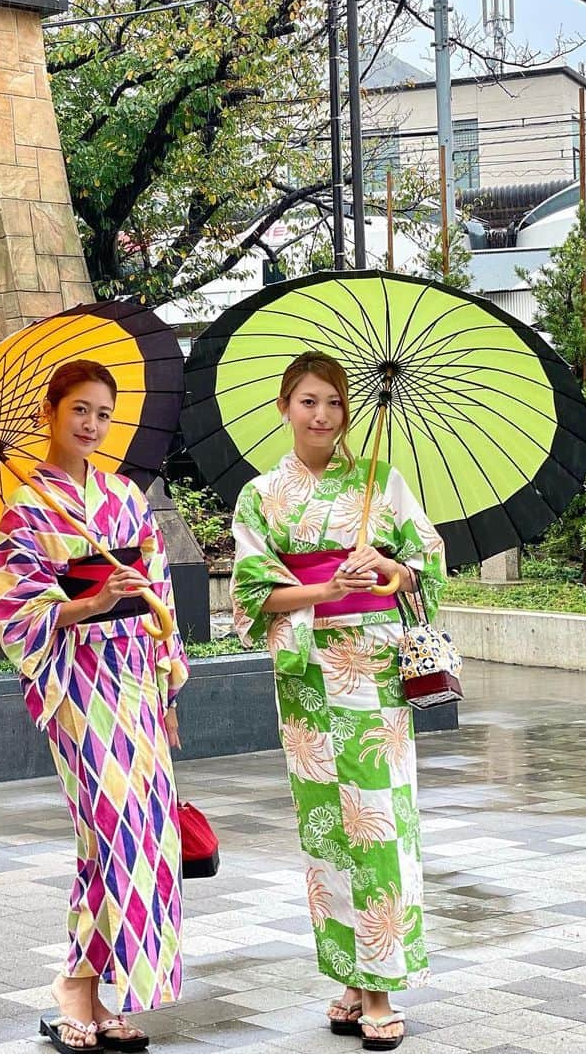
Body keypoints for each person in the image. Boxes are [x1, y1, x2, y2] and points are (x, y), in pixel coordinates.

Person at [230, 351, 446, 1053]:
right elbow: (253, 591)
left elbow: (427, 561)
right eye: (307, 401)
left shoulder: (382, 481)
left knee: (380, 821)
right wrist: (323, 590)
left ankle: (382, 987)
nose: (321, 415)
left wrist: (387, 568)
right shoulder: (260, 495)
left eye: (332, 403)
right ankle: (352, 980)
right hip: (306, 673)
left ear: (347, 413)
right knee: (327, 829)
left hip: (375, 670)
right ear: (284, 407)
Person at [0, 359, 189, 1054]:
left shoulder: (126, 500)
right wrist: (88, 603)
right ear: (50, 411)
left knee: (148, 836)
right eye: (80, 409)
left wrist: (167, 676)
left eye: (103, 413)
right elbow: (16, 615)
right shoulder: (25, 508)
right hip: (77, 685)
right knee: (107, 831)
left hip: (137, 676)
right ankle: (76, 987)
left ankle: (90, 983)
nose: (92, 425)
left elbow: (160, 594)